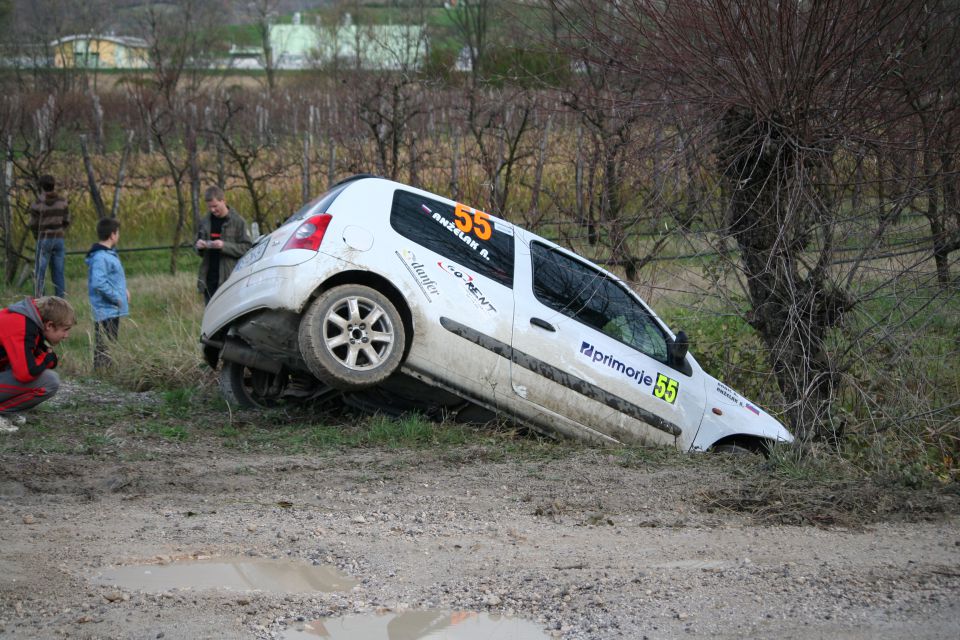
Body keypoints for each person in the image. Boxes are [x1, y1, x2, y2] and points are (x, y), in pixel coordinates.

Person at [0, 296, 75, 433]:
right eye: (65, 329)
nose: (66, 335)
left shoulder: (26, 320)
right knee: (50, 381)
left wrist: (46, 357)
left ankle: (5, 412)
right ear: (49, 325)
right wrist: (47, 358)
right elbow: (26, 373)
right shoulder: (21, 325)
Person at [85, 218, 129, 371]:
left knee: (111, 341)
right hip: (106, 308)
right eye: (118, 233)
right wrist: (116, 297)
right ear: (112, 235)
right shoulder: (100, 257)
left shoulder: (108, 254)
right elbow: (99, 283)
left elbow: (112, 279)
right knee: (104, 343)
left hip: (112, 308)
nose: (118, 236)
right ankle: (101, 373)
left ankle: (107, 371)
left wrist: (124, 291)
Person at [195, 186, 251, 303]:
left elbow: (247, 248)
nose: (213, 210)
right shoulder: (205, 222)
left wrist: (224, 246)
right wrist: (199, 246)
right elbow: (196, 247)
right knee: (211, 317)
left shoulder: (238, 222)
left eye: (215, 206)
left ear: (223, 201)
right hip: (209, 279)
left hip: (229, 280)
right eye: (210, 207)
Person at [29, 174, 71, 298]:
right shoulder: (63, 201)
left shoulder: (37, 203)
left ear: (41, 186)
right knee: (58, 272)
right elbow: (67, 220)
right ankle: (61, 300)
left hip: (44, 239)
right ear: (53, 185)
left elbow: (33, 224)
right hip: (59, 239)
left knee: (40, 272)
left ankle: (39, 299)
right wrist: (60, 230)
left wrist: (37, 236)